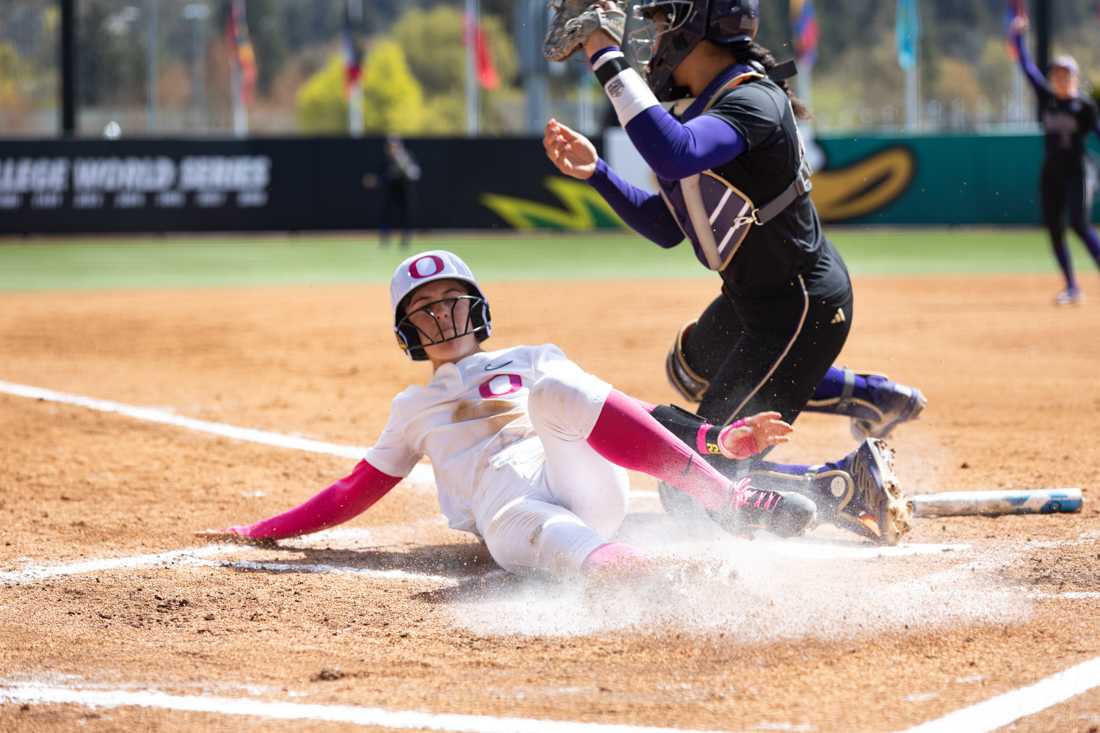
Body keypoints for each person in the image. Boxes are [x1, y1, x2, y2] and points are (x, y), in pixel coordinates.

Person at [197, 250, 822, 578]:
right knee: (530, 523)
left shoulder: (533, 357)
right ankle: (658, 580)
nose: (440, 315)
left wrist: (714, 438)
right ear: (406, 330)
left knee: (553, 388)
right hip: (509, 510)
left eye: (451, 300)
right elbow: (355, 488)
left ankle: (731, 502)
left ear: (477, 307)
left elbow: (624, 410)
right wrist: (264, 531)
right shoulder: (412, 408)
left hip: (575, 475)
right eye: (424, 309)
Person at [541, 0, 918, 541]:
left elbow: (675, 155)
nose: (654, 35)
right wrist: (597, 173)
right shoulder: (704, 108)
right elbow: (669, 225)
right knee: (688, 366)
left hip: (799, 307)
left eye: (664, 22)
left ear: (697, 28)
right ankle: (865, 395)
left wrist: (604, 52)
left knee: (686, 483)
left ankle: (840, 484)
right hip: (752, 301)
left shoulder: (752, 99)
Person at [1011, 15, 1100, 306]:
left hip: (1078, 170)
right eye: (1057, 74)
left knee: (1079, 223)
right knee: (1054, 227)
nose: (1060, 79)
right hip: (1052, 171)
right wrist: (1018, 38)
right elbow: (1026, 67)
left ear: (1074, 77)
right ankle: (1072, 286)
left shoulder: (1084, 106)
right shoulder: (1047, 97)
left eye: (1066, 74)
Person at [379, 135, 420, 248]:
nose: (391, 148)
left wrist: (401, 163)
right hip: (392, 192)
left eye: (394, 145)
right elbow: (383, 174)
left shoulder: (406, 156)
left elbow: (414, 173)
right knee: (388, 215)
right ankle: (385, 238)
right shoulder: (387, 159)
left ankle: (406, 238)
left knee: (406, 216)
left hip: (405, 191)